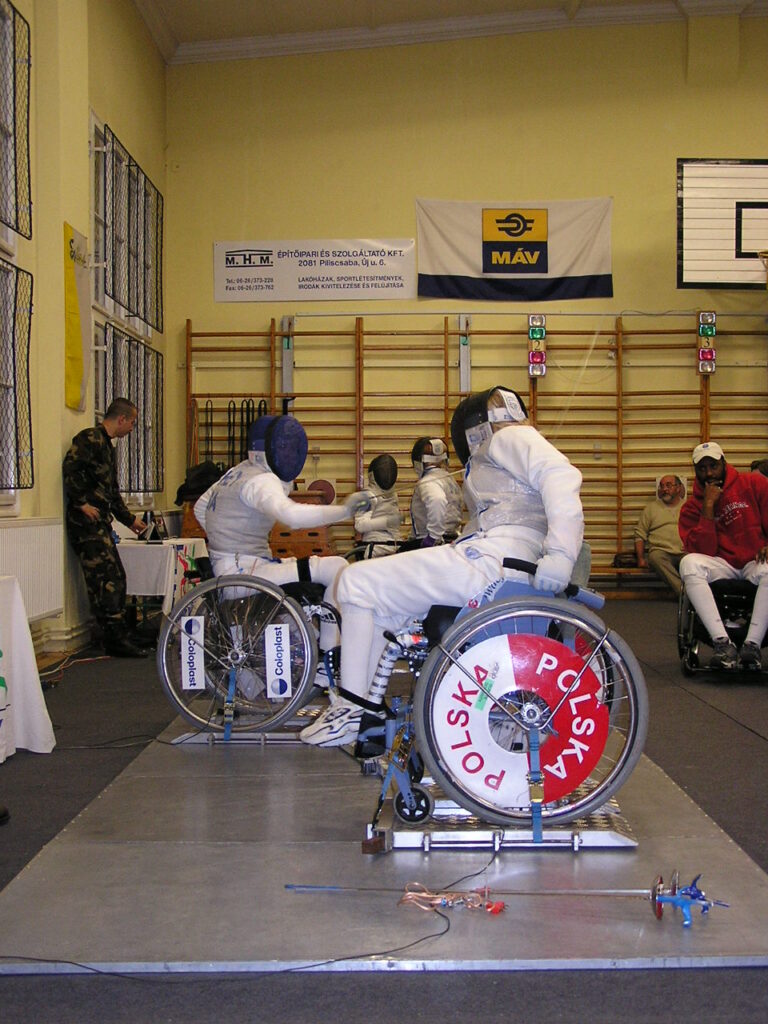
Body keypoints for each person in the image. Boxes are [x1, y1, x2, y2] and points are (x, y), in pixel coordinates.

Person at [301, 385, 584, 746]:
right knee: (384, 608)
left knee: (355, 580)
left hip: (494, 563)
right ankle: (366, 710)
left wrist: (561, 554)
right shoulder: (501, 451)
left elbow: (561, 474)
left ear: (476, 426)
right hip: (499, 559)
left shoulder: (508, 437)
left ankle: (352, 710)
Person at [194, 413, 370, 653]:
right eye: (284, 447)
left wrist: (224, 542)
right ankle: (328, 655)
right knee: (337, 567)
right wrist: (345, 511)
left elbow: (201, 507)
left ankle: (310, 645)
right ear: (272, 448)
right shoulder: (261, 481)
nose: (290, 454)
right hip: (245, 576)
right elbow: (292, 516)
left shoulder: (236, 472)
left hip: (232, 570)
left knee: (309, 593)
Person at [63, 398, 150, 658]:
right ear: (121, 419)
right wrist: (81, 503)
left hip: (100, 521)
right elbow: (70, 468)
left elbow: (110, 491)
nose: (132, 428)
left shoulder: (107, 446)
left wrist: (129, 520)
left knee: (114, 577)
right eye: (132, 422)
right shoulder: (90, 439)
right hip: (85, 524)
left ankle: (118, 632)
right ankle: (114, 637)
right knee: (107, 580)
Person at [678, 441, 768, 671]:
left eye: (713, 466)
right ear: (695, 471)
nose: (709, 473)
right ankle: (722, 643)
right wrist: (708, 506)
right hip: (721, 563)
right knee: (688, 563)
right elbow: (704, 551)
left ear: (724, 464)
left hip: (755, 561)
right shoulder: (691, 508)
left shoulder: (754, 484)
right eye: (702, 468)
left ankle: (752, 645)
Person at [634, 474, 686, 596]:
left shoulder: (688, 507)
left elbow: (699, 532)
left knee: (695, 560)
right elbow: (639, 535)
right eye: (662, 486)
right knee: (655, 557)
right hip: (661, 551)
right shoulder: (651, 508)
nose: (664, 489)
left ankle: (692, 593)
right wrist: (640, 558)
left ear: (678, 488)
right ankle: (684, 593)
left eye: (668, 485)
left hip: (685, 551)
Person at [406, 437, 463, 547]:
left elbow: (437, 500)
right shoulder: (449, 479)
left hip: (433, 544)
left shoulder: (428, 482)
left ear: (419, 461)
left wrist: (433, 537)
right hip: (451, 539)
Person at [354, 454, 402, 558]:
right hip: (375, 547)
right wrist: (385, 522)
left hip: (395, 544)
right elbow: (360, 525)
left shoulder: (393, 495)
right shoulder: (367, 495)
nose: (387, 477)